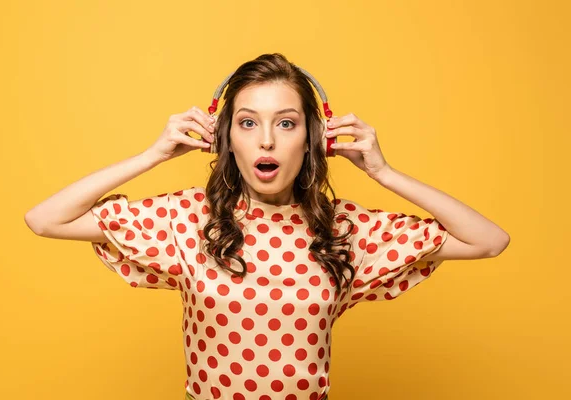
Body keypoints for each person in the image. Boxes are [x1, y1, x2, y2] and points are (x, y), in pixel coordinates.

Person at [25, 53, 510, 400]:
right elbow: (44, 219)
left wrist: (384, 173)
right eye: (248, 122)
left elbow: (489, 240)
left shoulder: (346, 231)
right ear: (226, 138)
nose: (267, 142)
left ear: (312, 139)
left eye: (286, 123)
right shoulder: (186, 219)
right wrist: (152, 155)